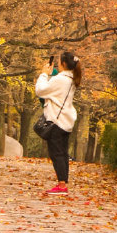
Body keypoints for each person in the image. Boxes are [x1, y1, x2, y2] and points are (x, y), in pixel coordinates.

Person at [34, 50, 82, 195]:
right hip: (65, 122)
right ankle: (62, 183)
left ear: (63, 63)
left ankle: (62, 186)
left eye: (59, 61)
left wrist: (43, 74)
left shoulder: (61, 79)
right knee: (62, 153)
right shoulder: (70, 79)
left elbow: (40, 90)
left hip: (57, 122)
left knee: (57, 154)